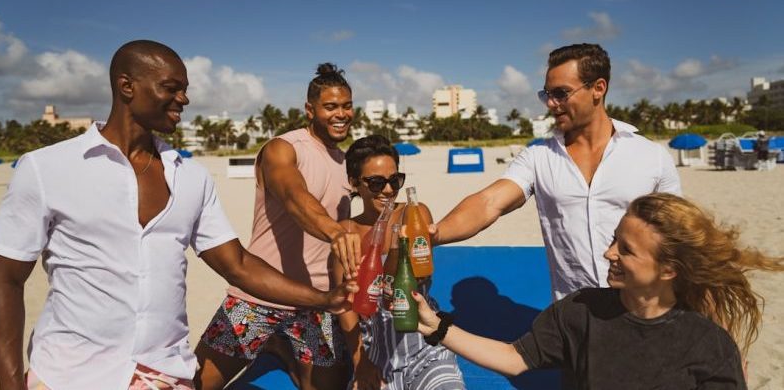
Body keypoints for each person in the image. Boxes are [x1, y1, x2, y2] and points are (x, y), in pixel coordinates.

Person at [0, 41, 356, 390]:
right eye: (171, 87)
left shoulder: (190, 176)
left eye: (185, 88)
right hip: (67, 374)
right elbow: (4, 280)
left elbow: (238, 263)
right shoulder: (47, 167)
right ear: (126, 86)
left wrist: (324, 299)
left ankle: (277, 349)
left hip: (164, 373)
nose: (185, 98)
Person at [415, 193, 784, 389]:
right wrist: (439, 329)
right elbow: (514, 358)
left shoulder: (709, 344)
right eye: (614, 241)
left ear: (669, 270)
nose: (609, 253)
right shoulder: (581, 309)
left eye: (626, 250)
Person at [430, 43, 681, 300]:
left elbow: (677, 237)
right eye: (547, 94)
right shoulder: (538, 157)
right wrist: (434, 234)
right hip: (574, 313)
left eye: (561, 93)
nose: (551, 103)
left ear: (598, 88)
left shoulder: (652, 157)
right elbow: (489, 203)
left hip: (644, 310)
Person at [195, 64, 360, 390]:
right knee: (194, 385)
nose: (341, 114)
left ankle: (281, 347)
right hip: (257, 295)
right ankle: (276, 342)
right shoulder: (282, 149)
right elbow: (294, 197)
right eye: (330, 107)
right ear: (310, 110)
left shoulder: (344, 161)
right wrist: (336, 233)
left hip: (318, 300)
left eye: (346, 105)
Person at [332, 135, 465, 390]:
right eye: (376, 182)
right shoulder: (346, 232)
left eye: (395, 180)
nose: (389, 190)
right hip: (374, 355)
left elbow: (416, 278)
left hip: (425, 347)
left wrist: (394, 247)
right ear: (353, 182)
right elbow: (345, 306)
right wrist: (361, 361)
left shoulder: (414, 214)